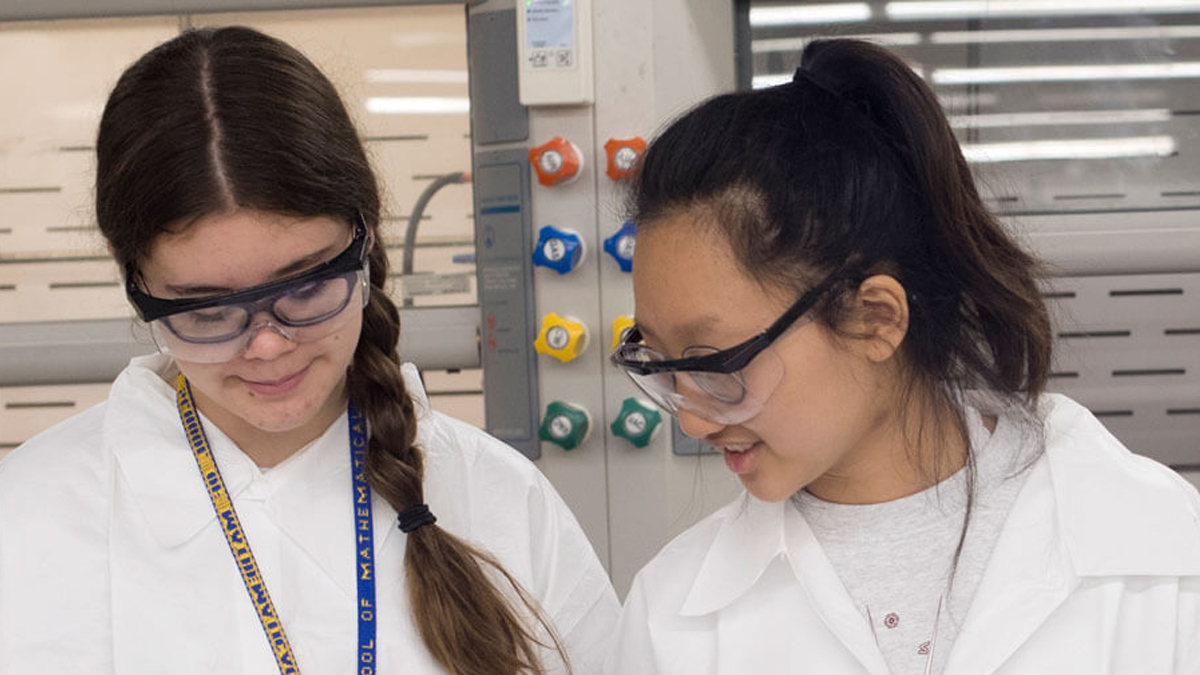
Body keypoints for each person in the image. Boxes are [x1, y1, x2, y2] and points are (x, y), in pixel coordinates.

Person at [0, 26, 618, 675]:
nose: (267, 344)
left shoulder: (497, 497)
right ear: (134, 282)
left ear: (365, 233)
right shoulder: (31, 516)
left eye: (306, 284)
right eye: (207, 308)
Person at [605, 38, 1200, 675]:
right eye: (661, 365)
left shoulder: (1164, 560)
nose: (691, 421)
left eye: (714, 362)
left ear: (875, 319)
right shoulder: (671, 617)